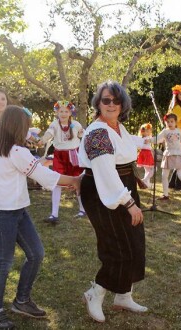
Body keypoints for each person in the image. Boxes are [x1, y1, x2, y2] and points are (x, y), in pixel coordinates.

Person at [0, 105, 80, 330]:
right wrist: (75, 180)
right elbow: (43, 176)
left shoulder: (2, 148)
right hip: (2, 214)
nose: (30, 131)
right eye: (27, 126)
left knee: (36, 253)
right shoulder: (12, 151)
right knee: (3, 263)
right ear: (17, 126)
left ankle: (21, 301)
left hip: (18, 211)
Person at [78, 81, 147, 323]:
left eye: (116, 101)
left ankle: (123, 295)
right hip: (102, 190)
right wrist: (129, 204)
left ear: (122, 105)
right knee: (119, 245)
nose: (111, 104)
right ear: (98, 102)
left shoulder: (119, 127)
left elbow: (125, 156)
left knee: (135, 241)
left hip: (123, 184)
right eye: (106, 100)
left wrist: (136, 179)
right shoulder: (97, 132)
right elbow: (106, 171)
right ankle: (94, 293)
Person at [37, 100, 85, 223]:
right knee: (57, 182)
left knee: (78, 181)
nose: (63, 113)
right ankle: (54, 214)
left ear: (70, 113)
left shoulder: (76, 124)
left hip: (73, 155)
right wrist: (42, 140)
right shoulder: (54, 124)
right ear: (57, 112)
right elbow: (49, 133)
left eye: (66, 111)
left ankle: (82, 209)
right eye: (61, 111)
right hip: (60, 156)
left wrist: (84, 135)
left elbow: (82, 135)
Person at [157, 114, 181, 202]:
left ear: (175, 122)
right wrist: (149, 140)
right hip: (168, 154)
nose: (170, 123)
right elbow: (158, 139)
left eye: (172, 122)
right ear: (165, 122)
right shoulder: (165, 131)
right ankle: (165, 195)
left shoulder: (178, 131)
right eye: (168, 122)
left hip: (178, 154)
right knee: (164, 175)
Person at [135, 123, 155, 188]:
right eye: (147, 130)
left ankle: (147, 184)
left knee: (147, 170)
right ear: (143, 132)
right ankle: (144, 180)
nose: (149, 131)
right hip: (146, 154)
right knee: (153, 169)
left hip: (144, 153)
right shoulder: (147, 138)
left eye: (149, 130)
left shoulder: (141, 138)